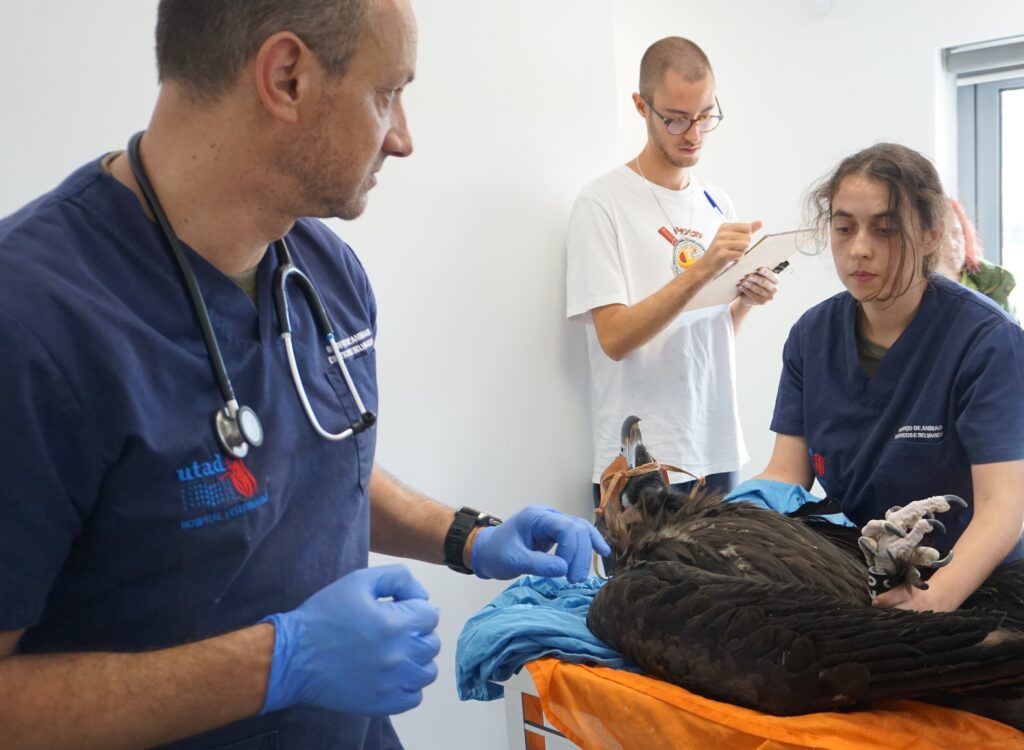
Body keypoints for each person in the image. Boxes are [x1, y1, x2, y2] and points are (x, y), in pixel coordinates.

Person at [0, 1, 609, 748]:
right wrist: (279, 663)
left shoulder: (324, 271)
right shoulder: (30, 324)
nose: (403, 138)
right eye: (386, 93)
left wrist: (469, 539)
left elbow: (305, 462)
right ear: (285, 76)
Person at [751, 142, 1024, 613]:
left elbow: (1004, 508)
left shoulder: (986, 341)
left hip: (979, 589)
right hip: (862, 577)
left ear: (931, 234)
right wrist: (732, 517)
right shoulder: (811, 336)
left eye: (886, 229)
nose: (859, 249)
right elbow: (787, 474)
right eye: (843, 228)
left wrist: (933, 601)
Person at [565, 37, 779, 513]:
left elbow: (709, 335)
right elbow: (614, 338)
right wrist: (702, 269)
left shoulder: (716, 203)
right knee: (642, 591)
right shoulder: (602, 203)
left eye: (705, 115)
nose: (694, 133)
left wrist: (745, 299)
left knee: (727, 590)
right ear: (641, 106)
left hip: (716, 446)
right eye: (677, 118)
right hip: (641, 462)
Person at [936, 197, 1018, 320]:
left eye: (956, 234)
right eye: (941, 238)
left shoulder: (995, 285)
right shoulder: (913, 295)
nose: (952, 245)